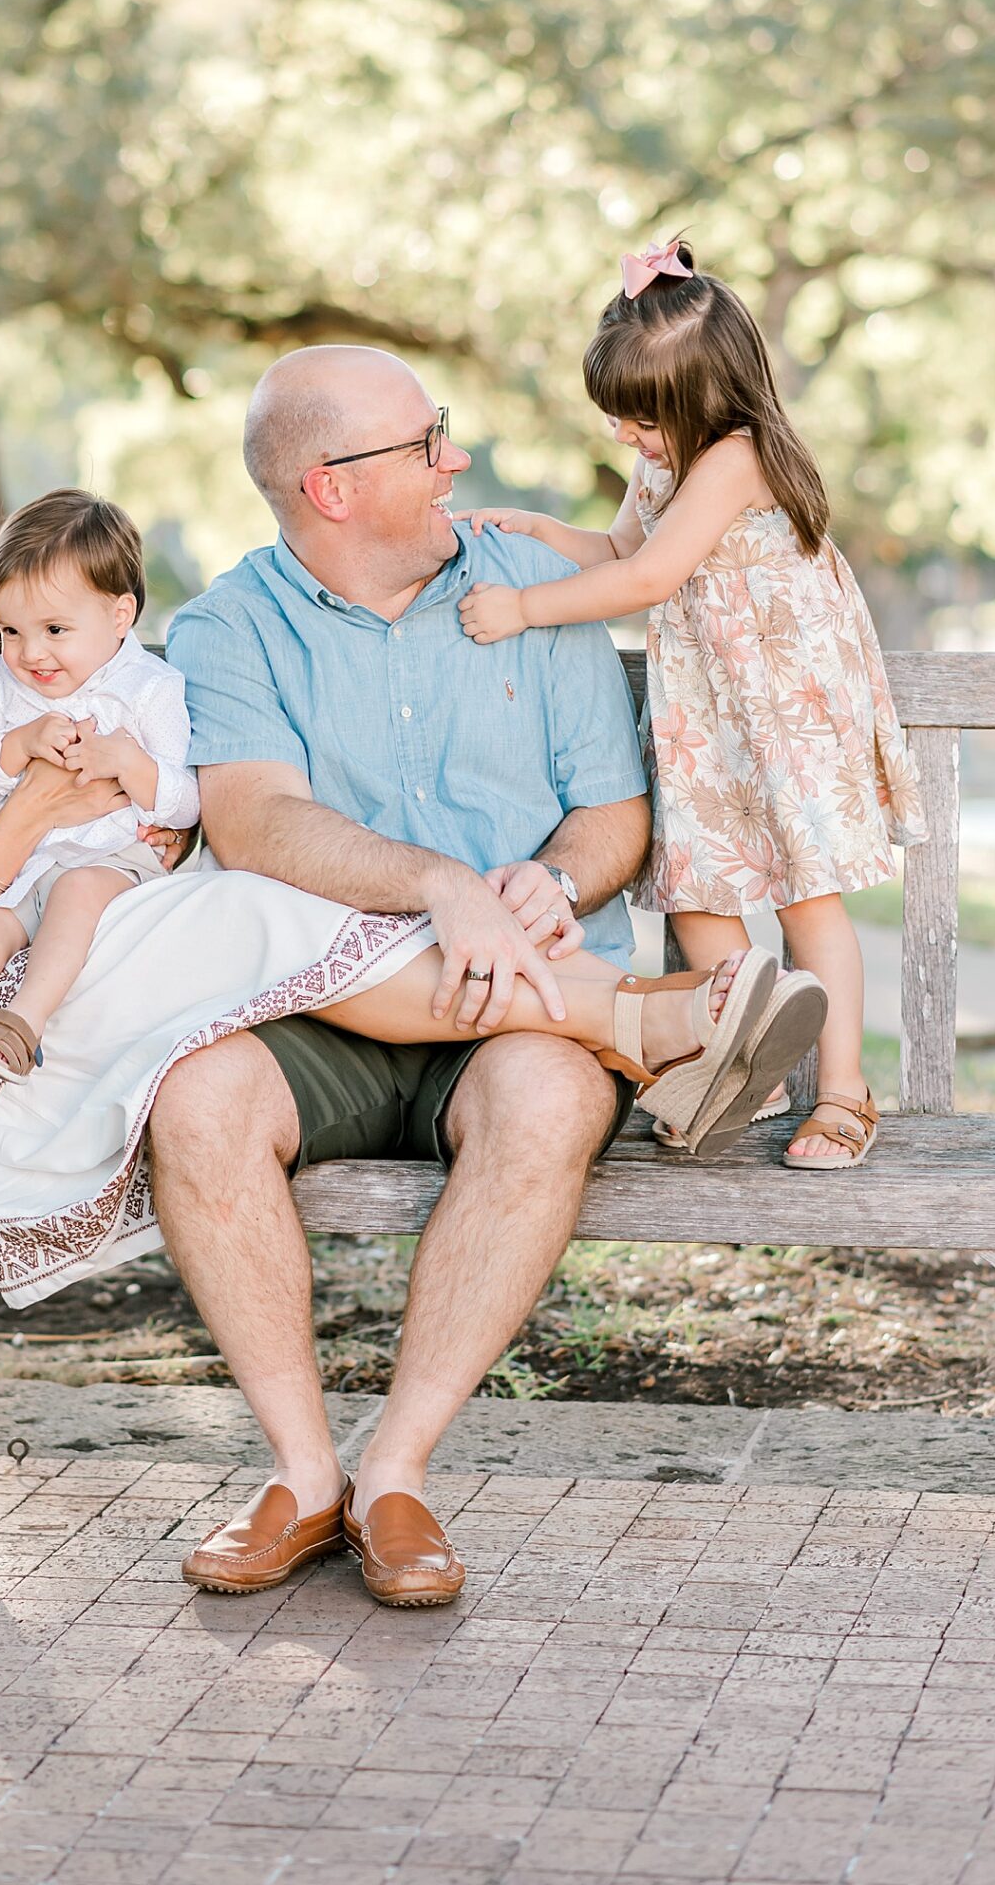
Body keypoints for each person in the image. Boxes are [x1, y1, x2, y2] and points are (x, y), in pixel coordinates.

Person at [155, 346, 826, 1608]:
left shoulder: (529, 589)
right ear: (330, 487)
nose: (455, 459)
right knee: (197, 1100)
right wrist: (438, 883)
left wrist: (551, 881)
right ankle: (303, 1478)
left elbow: (608, 817)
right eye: (424, 444)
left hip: (515, 1003)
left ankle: (394, 1474)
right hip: (326, 1003)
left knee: (550, 1103)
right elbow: (255, 825)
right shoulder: (226, 628)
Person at [459, 236, 924, 1172]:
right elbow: (619, 549)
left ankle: (842, 1093)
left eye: (641, 421)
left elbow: (652, 576)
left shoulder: (739, 456)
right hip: (704, 723)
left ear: (708, 398)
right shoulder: (665, 464)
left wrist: (522, 608)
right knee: (703, 902)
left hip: (780, 712)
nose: (626, 439)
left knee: (805, 903)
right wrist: (547, 537)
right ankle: (732, 1072)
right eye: (619, 420)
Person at [0, 491, 200, 1176]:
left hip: (115, 859)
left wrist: (130, 764)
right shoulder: (2, 683)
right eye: (12, 631)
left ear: (119, 615)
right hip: (24, 863)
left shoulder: (150, 689)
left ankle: (21, 1025)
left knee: (78, 892)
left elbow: (188, 801)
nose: (30, 654)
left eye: (53, 630)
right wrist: (16, 745)